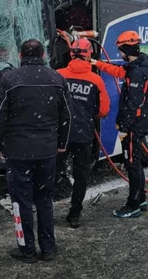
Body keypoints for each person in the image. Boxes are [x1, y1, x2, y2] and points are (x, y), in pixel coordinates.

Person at [0, 39, 72, 263]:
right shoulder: (57, 79)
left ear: (21, 56)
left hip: (18, 152)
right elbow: (67, 116)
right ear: (43, 56)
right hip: (47, 151)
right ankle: (49, 248)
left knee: (20, 201)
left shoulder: (9, 79)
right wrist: (62, 142)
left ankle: (27, 250)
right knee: (45, 199)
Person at [92, 31, 148, 219]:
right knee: (135, 163)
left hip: (133, 127)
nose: (119, 54)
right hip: (136, 124)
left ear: (126, 49)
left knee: (132, 163)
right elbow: (118, 71)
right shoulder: (137, 66)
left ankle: (133, 204)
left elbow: (134, 104)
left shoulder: (137, 72)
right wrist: (96, 63)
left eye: (120, 50)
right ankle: (140, 198)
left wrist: (124, 129)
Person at [56, 38, 110, 228]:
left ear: (71, 54)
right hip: (83, 134)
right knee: (81, 175)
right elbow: (103, 111)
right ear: (89, 55)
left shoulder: (58, 75)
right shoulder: (96, 80)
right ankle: (74, 214)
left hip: (61, 135)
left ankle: (44, 209)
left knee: (52, 173)